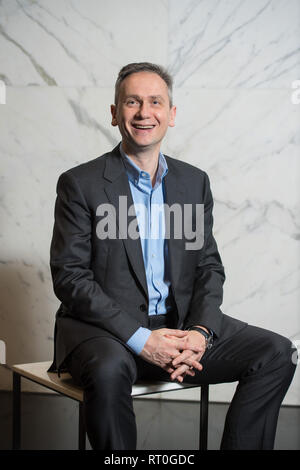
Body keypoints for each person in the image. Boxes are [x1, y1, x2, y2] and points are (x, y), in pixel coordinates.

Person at [49, 62, 296, 450]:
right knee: (111, 369)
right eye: (132, 102)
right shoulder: (80, 184)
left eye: (155, 102)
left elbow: (208, 268)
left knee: (276, 352)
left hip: (179, 326)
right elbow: (71, 278)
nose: (144, 112)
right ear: (115, 113)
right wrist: (142, 339)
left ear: (172, 114)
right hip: (106, 333)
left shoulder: (193, 182)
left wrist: (200, 332)